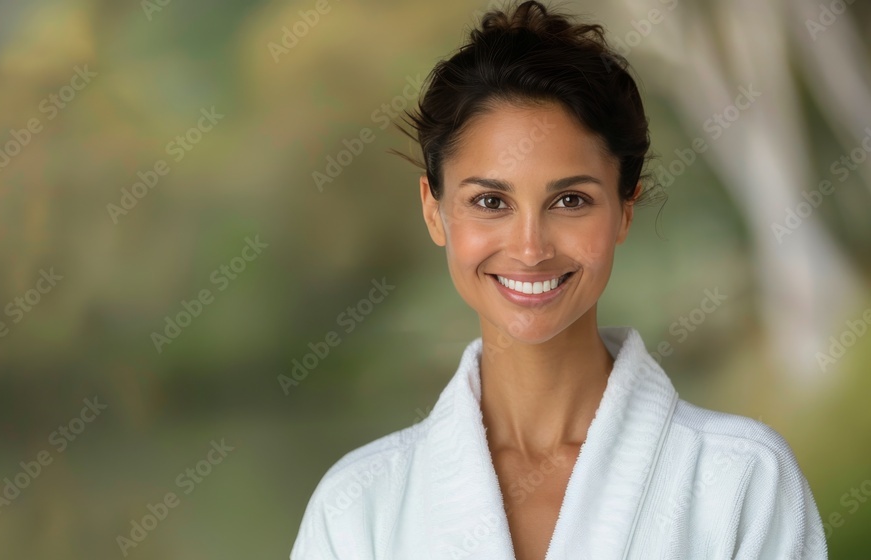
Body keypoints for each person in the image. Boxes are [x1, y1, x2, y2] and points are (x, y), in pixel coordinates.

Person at [291, 1, 827, 558]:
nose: (530, 248)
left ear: (624, 209)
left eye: (570, 200)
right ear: (434, 210)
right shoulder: (357, 508)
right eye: (491, 201)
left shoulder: (741, 482)